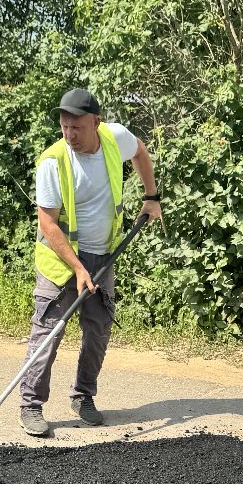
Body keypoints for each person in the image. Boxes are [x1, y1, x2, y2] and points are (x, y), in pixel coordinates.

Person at [18, 88, 161, 436]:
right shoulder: (53, 162)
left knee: (98, 328)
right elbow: (47, 223)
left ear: (96, 122)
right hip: (61, 261)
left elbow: (141, 151)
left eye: (76, 127)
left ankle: (83, 396)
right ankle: (30, 404)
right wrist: (78, 269)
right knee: (49, 330)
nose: (69, 134)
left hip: (104, 254)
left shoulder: (115, 139)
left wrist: (151, 197)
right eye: (64, 127)